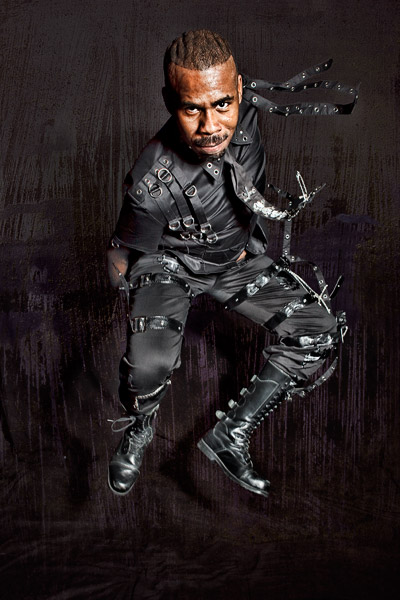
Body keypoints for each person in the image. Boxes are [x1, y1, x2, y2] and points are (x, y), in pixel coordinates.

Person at [106, 30, 355, 497]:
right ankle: (140, 425)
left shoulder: (247, 111)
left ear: (239, 90)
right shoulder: (150, 180)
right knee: (148, 365)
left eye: (222, 104)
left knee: (319, 333)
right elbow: (120, 254)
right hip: (172, 265)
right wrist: (143, 309)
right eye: (191, 109)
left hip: (235, 261)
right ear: (170, 102)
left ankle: (230, 434)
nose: (210, 126)